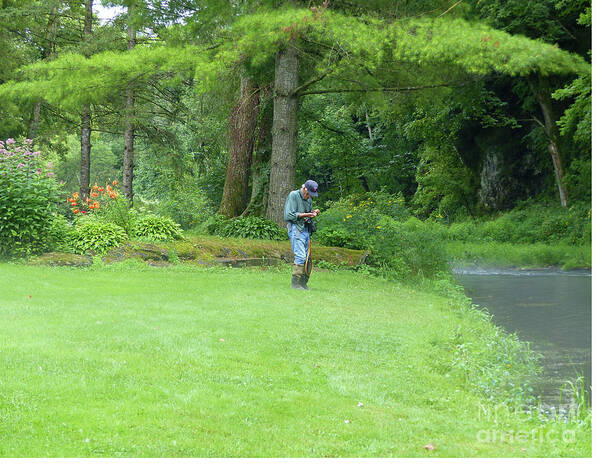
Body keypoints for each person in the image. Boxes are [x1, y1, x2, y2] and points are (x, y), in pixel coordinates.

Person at [284, 180, 320, 290]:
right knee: (300, 256)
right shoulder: (293, 195)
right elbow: (289, 215)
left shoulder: (309, 199)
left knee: (307, 258)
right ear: (304, 188)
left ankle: (303, 283)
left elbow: (306, 213)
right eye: (308, 193)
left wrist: (313, 212)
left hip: (306, 229)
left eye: (311, 194)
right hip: (295, 228)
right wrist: (307, 214)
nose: (309, 196)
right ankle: (295, 284)